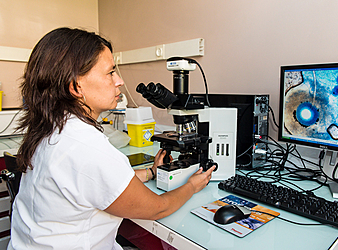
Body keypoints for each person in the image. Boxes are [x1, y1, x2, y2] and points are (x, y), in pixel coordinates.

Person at [8, 27, 215, 250]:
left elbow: (86, 182)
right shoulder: (87, 148)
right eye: (110, 73)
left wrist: (152, 173)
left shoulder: (50, 128)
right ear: (76, 86)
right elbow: (159, 208)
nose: (119, 81)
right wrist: (192, 186)